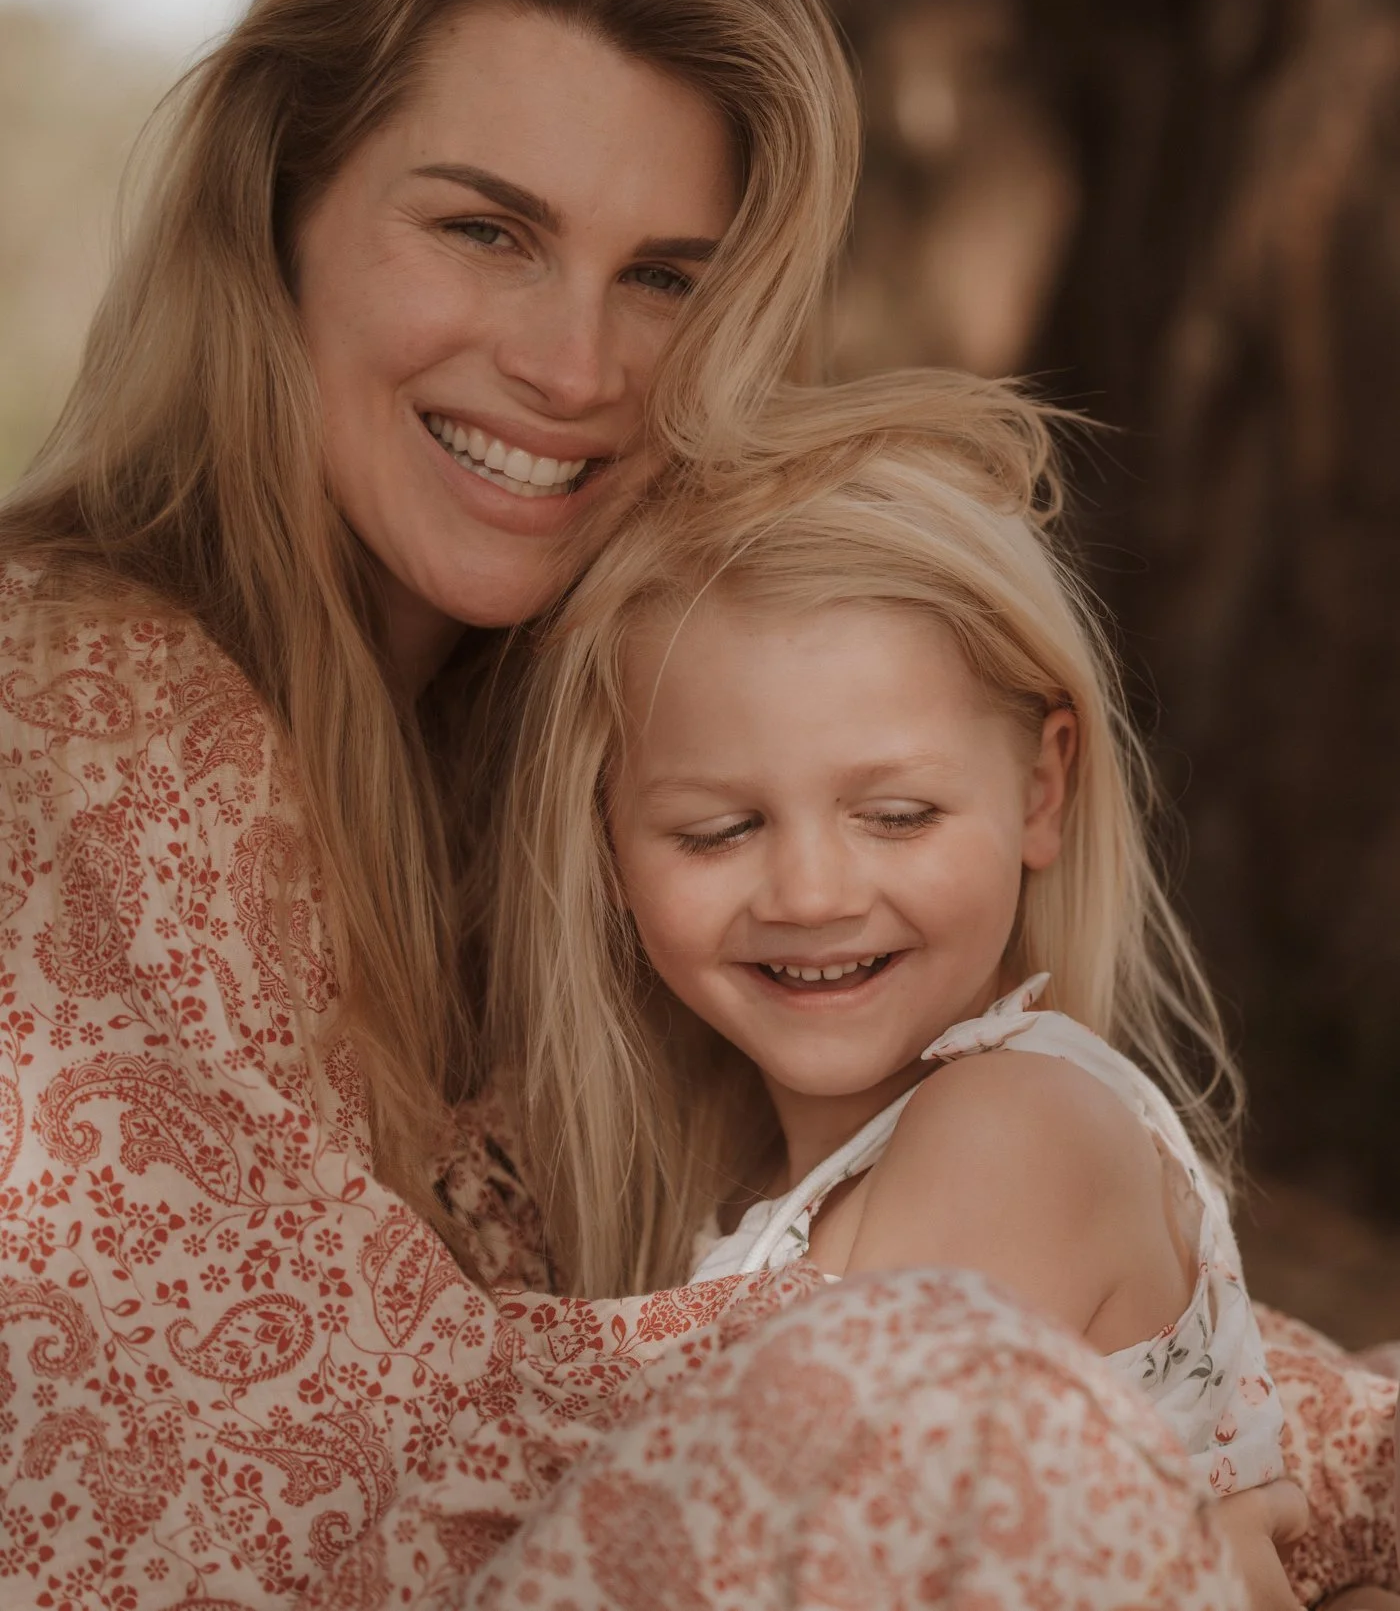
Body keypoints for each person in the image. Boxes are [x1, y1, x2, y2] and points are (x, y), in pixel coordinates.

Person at [0, 0, 1391, 1604]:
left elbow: (1075, 1324)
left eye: (665, 274)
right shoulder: (75, 701)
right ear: (273, 215)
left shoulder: (594, 769)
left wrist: (1293, 1459)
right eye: (485, 231)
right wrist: (1067, 1437)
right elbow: (293, 1444)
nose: (574, 362)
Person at [487, 370, 1285, 1494]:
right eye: (717, 830)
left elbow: (771, 1530)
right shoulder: (743, 1175)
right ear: (606, 844)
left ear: (1041, 791)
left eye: (896, 815)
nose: (809, 893)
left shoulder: (1016, 1127)